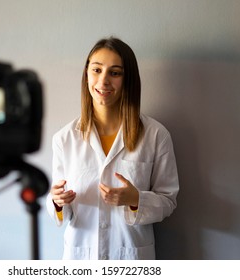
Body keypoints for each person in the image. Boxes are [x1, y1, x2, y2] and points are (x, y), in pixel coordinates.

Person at [46, 37, 179, 260]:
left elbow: (168, 200)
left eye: (115, 73)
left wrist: (136, 199)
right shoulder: (64, 139)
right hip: (81, 256)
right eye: (96, 70)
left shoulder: (156, 135)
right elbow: (61, 212)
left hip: (130, 258)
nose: (103, 80)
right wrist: (57, 202)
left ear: (128, 80)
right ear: (86, 74)